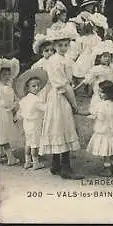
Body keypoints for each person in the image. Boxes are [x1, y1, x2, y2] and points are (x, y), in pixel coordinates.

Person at [39, 27, 83, 180]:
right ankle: (65, 167)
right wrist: (74, 104)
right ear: (54, 46)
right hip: (60, 97)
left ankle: (56, 164)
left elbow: (70, 78)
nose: (63, 48)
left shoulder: (65, 59)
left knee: (59, 127)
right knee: (63, 127)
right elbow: (63, 86)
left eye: (66, 45)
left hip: (61, 94)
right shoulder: (55, 61)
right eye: (60, 45)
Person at [83, 80, 113, 177]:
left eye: (101, 92)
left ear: (108, 94)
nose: (99, 94)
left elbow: (98, 116)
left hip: (104, 130)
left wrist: (84, 114)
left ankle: (107, 168)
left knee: (105, 150)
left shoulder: (101, 105)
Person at [15, 68, 48, 170]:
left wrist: (16, 118)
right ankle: (35, 163)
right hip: (34, 124)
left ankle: (27, 162)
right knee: (34, 144)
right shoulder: (36, 100)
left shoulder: (24, 99)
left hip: (26, 124)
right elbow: (45, 108)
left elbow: (20, 112)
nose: (37, 88)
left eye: (38, 85)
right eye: (34, 86)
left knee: (28, 143)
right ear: (28, 88)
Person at [0, 58, 21, 166]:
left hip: (3, 112)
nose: (7, 76)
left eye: (8, 74)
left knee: (2, 134)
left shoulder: (5, 86)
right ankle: (10, 158)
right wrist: (13, 105)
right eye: (4, 74)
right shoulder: (3, 88)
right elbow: (7, 102)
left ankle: (1, 154)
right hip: (2, 112)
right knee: (4, 135)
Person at [17, 0, 40, 65]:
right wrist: (25, 19)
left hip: (31, 17)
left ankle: (29, 56)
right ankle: (24, 57)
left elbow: (34, 4)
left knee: (30, 36)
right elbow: (21, 7)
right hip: (25, 18)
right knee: (25, 38)